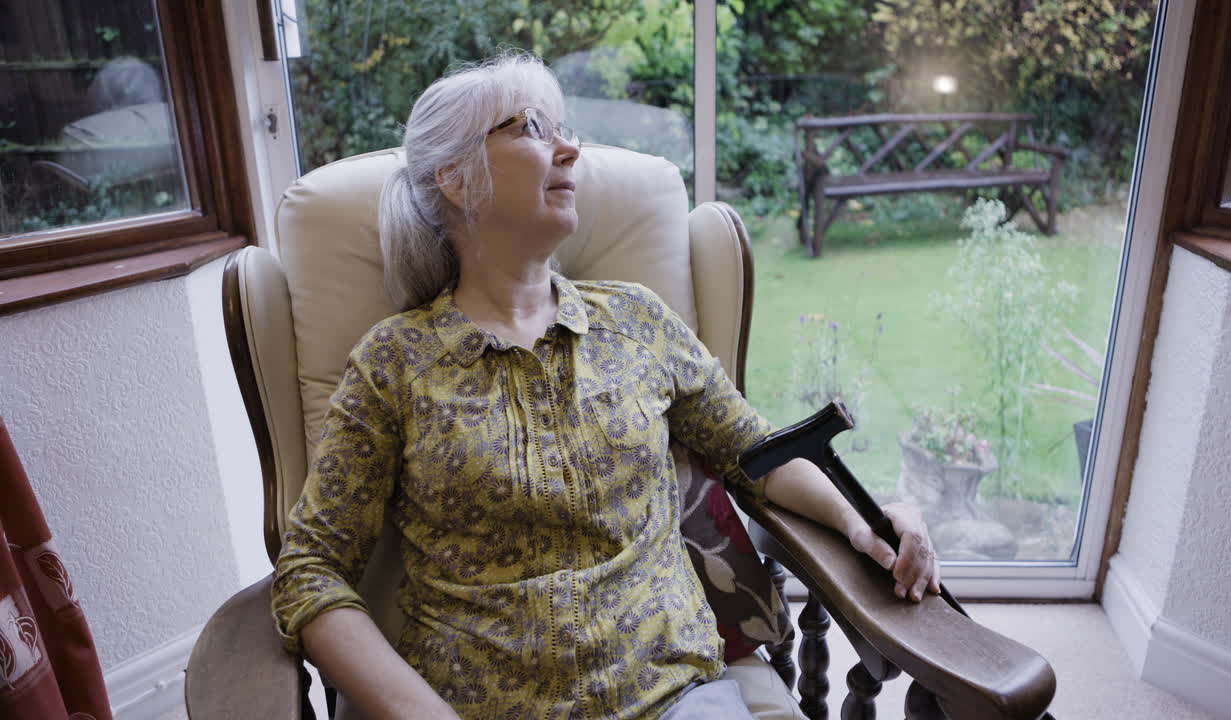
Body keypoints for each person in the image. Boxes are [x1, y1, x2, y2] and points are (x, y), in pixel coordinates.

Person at [270, 51, 940, 720]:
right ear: (456, 179)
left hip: (675, 699)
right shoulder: (395, 364)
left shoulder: (637, 320)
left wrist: (865, 519)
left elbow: (756, 454)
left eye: (564, 128)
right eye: (532, 127)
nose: (570, 148)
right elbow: (311, 570)